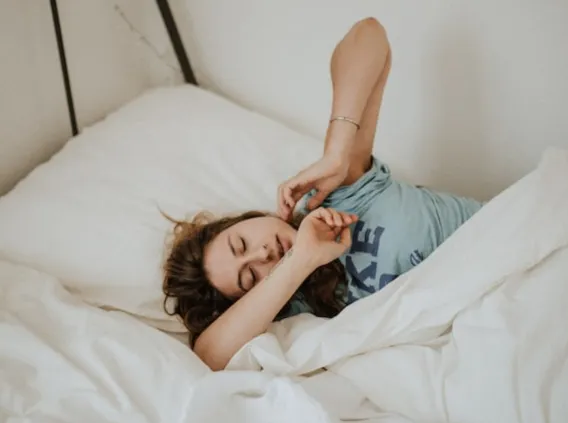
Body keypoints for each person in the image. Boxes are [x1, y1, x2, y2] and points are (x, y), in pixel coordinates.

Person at [162, 17, 483, 371]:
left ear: (246, 220)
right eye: (250, 276)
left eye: (241, 243)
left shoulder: (338, 195)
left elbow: (369, 36)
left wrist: (337, 153)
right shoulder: (299, 313)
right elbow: (209, 357)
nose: (262, 253)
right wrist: (300, 260)